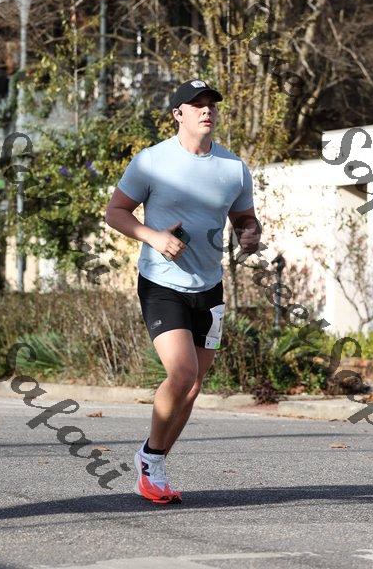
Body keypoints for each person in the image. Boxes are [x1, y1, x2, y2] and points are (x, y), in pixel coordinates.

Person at [105, 78, 260, 504]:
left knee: (192, 387)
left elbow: (245, 219)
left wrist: (250, 234)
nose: (207, 110)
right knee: (183, 373)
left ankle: (152, 460)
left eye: (211, 104)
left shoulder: (233, 168)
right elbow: (115, 212)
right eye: (196, 104)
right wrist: (153, 237)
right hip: (162, 282)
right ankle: (151, 462)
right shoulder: (151, 162)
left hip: (209, 286)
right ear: (178, 114)